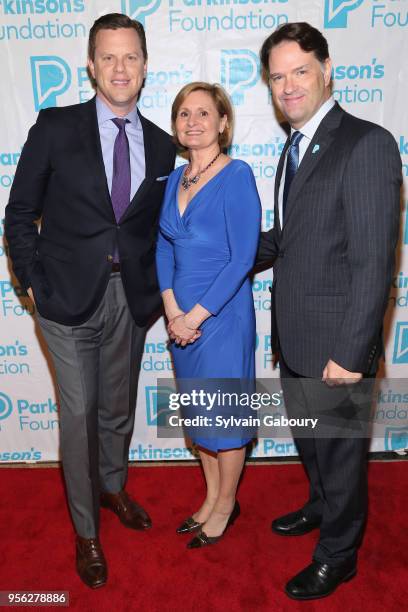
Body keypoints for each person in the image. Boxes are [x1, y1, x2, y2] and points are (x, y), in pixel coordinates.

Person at [5, 13, 175, 589]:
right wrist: (30, 281)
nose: (120, 68)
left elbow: (153, 228)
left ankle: (112, 486)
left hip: (129, 298)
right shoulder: (55, 127)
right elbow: (19, 212)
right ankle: (86, 531)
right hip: (63, 299)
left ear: (145, 66)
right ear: (91, 65)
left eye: (130, 57)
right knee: (79, 415)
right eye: (109, 57)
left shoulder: (160, 141)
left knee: (117, 410)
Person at [257, 23, 401, 600]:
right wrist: (217, 255)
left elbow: (373, 263)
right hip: (295, 336)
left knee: (342, 459)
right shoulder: (294, 147)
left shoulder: (366, 143)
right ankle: (319, 507)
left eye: (299, 71)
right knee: (312, 445)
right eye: (277, 76)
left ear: (327, 69)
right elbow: (288, 240)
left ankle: (340, 556)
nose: (288, 86)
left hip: (338, 346)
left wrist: (352, 353)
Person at [156, 82, 261, 548]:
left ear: (223, 122)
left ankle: (225, 506)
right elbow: (162, 245)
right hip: (180, 318)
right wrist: (172, 309)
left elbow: (242, 259)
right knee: (200, 418)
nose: (192, 121)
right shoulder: (175, 178)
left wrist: (194, 316)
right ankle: (212, 495)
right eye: (183, 113)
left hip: (221, 316)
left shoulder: (236, 175)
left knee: (227, 420)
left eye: (203, 113)